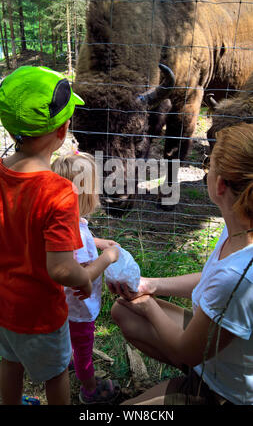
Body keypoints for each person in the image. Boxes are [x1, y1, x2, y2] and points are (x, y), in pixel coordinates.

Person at [109, 121, 253, 405]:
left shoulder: (238, 278)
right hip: (221, 357)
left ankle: (203, 392)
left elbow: (186, 351)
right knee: (124, 310)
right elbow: (212, 276)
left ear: (220, 184)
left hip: (231, 393)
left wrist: (148, 304)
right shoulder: (241, 223)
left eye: (208, 164)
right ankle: (197, 378)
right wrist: (151, 285)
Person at [0, 66, 119, 405]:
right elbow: (63, 270)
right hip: (40, 313)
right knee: (55, 374)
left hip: (4, 304)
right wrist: (96, 267)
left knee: (9, 360)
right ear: (64, 128)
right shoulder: (59, 191)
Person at [51, 152, 121, 404]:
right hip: (79, 310)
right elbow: (80, 275)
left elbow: (81, 240)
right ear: (87, 195)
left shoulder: (65, 222)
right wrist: (108, 257)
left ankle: (65, 357)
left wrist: (99, 242)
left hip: (62, 306)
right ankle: (90, 389)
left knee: (66, 337)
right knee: (84, 351)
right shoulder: (75, 236)